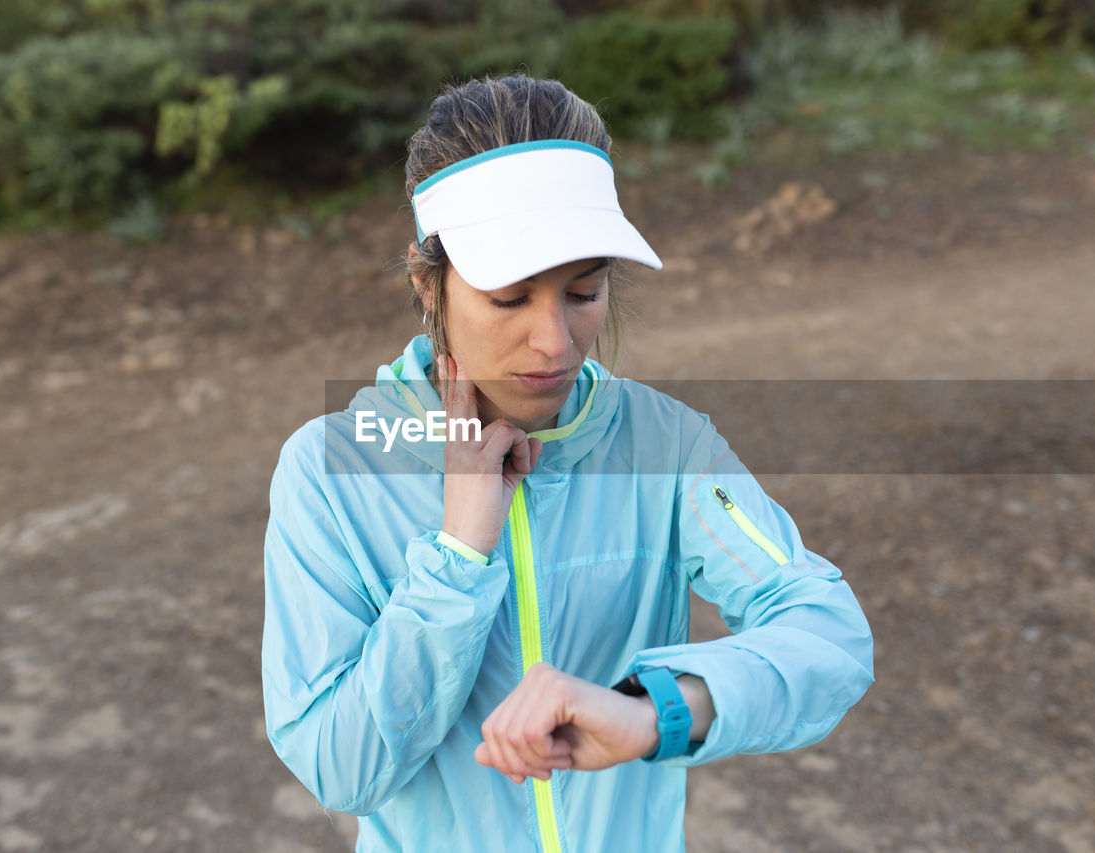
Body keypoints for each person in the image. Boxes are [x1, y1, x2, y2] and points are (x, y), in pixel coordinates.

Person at [262, 74, 874, 852]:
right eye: (511, 299)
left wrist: (658, 709)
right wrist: (456, 559)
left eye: (583, 292)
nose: (554, 342)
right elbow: (337, 767)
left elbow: (828, 633)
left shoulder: (663, 446)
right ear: (430, 285)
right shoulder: (331, 469)